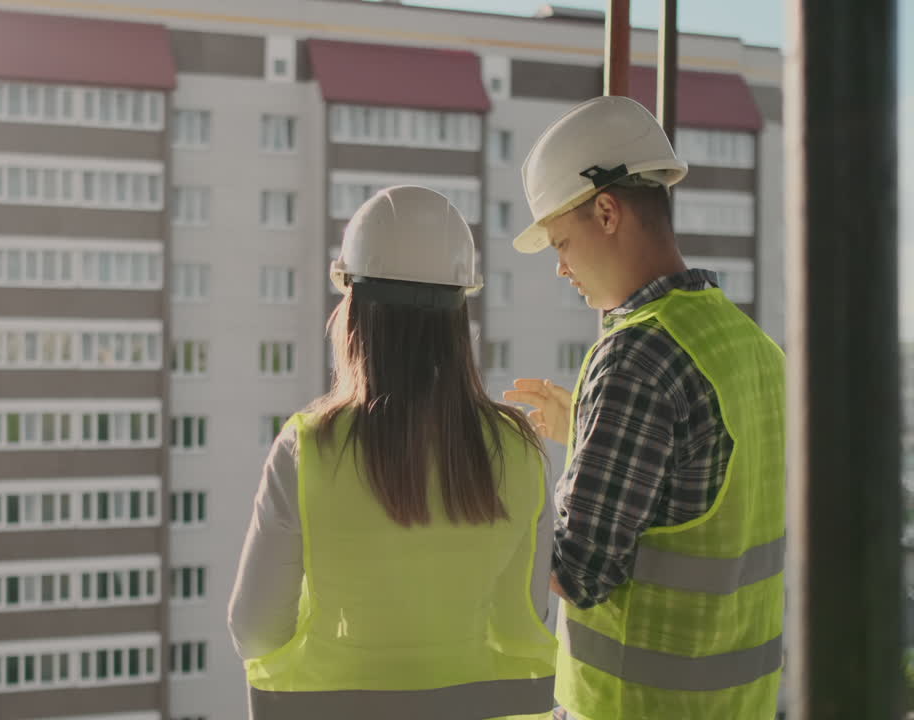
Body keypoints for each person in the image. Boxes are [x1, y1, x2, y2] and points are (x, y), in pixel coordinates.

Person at [227, 185, 558, 720]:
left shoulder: (308, 449)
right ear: (458, 318)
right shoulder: (519, 451)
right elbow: (530, 620)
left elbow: (256, 633)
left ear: (355, 308)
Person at [503, 96, 786, 720]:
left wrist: (488, 492)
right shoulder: (753, 348)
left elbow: (580, 570)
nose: (560, 268)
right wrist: (586, 428)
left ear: (607, 211)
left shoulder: (636, 358)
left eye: (561, 242)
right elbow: (699, 492)